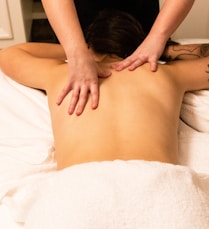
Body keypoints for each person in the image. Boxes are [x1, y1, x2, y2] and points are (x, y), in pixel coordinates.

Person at [0, 9, 209, 228]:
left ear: (91, 44)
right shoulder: (165, 74)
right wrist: (164, 48)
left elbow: (8, 54)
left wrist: (78, 51)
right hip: (165, 192)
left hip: (75, 194)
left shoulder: (61, 74)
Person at [41, 0, 195, 116]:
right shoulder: (166, 76)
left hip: (138, 23)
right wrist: (75, 51)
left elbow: (17, 53)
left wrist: (157, 37)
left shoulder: (163, 75)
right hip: (75, 21)